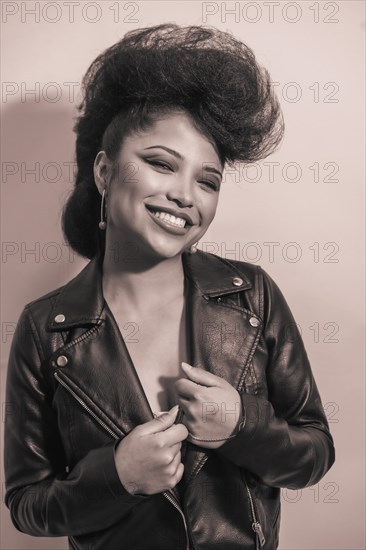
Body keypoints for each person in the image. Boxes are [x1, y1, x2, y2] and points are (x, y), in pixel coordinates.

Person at [4, 23, 335, 550]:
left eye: (207, 180)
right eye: (161, 164)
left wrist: (242, 426)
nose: (186, 195)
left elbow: (314, 453)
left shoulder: (252, 294)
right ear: (104, 171)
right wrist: (118, 476)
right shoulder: (46, 329)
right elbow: (26, 504)